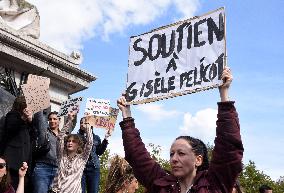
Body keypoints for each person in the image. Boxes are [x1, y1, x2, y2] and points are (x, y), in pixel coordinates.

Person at [117, 67, 244, 193]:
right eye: (172, 154)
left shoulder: (213, 185)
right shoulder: (162, 185)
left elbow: (228, 148)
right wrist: (126, 114)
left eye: (181, 153)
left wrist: (224, 94)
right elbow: (137, 156)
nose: (174, 159)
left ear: (198, 160)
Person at [49, 114, 93, 193]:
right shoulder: (61, 155)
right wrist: (69, 121)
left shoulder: (82, 158)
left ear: (78, 145)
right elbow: (59, 138)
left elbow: (89, 143)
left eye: (73, 141)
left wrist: (88, 126)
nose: (70, 143)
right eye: (69, 141)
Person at [2, 96, 34, 191]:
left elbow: (34, 136)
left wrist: (31, 121)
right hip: (13, 163)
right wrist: (23, 118)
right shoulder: (12, 115)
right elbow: (11, 128)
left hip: (24, 164)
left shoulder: (28, 122)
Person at [78, 118, 111, 193]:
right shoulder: (76, 137)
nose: (83, 124)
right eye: (81, 123)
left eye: (86, 123)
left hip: (94, 167)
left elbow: (99, 152)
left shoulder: (96, 138)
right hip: (80, 168)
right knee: (80, 191)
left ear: (90, 125)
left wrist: (106, 139)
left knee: (93, 191)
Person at [31, 111, 61, 193]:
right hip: (42, 167)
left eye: (55, 119)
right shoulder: (44, 131)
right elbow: (39, 119)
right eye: (50, 119)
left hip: (58, 171)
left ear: (59, 120)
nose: (52, 121)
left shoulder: (64, 135)